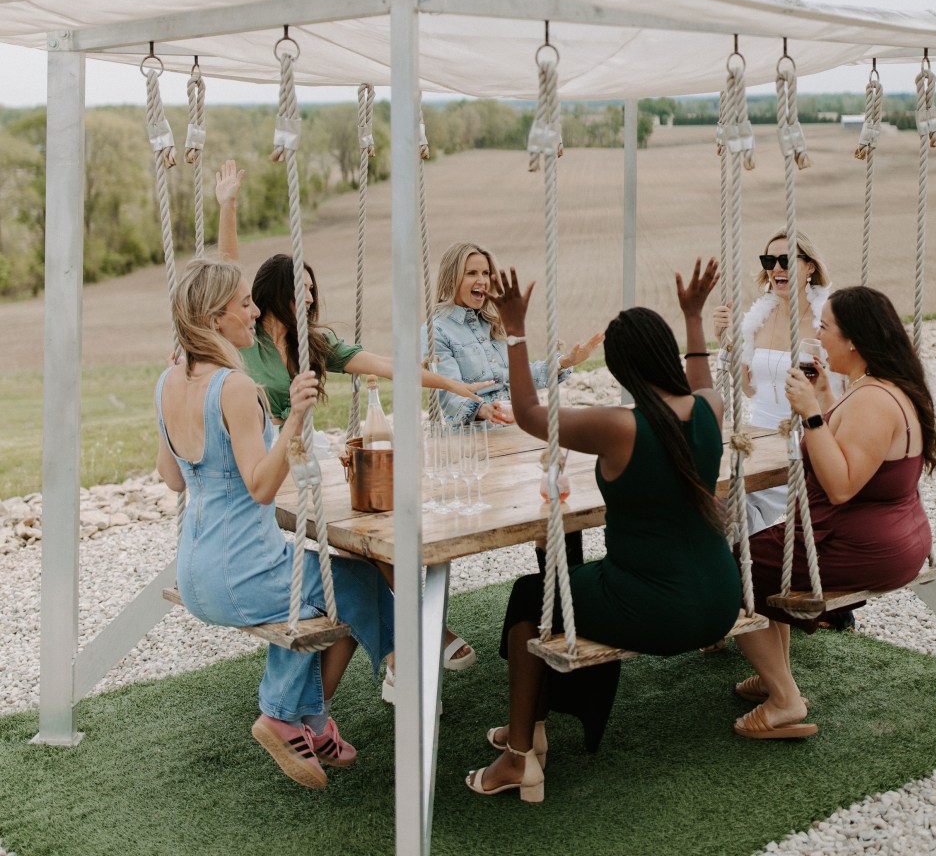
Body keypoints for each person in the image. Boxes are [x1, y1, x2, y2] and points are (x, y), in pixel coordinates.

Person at [464, 259, 742, 802]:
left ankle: (519, 757)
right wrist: (694, 316)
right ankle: (533, 726)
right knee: (563, 583)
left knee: (528, 596)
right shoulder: (710, 408)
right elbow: (701, 378)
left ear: (621, 371)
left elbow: (525, 412)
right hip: (722, 601)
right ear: (666, 355)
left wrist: (515, 327)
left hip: (661, 610)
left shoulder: (621, 428)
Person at [216, 160, 483, 673]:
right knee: (363, 541)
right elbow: (223, 277)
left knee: (375, 532)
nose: (312, 298)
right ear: (273, 294)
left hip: (308, 456)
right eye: (302, 289)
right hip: (267, 463)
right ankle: (415, 642)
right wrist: (228, 204)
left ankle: (404, 650)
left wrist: (448, 382)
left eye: (314, 290)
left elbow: (387, 365)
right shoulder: (241, 344)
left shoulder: (316, 344)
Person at [155, 258, 394, 790]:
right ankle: (294, 710)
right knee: (354, 580)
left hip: (195, 569)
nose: (255, 309)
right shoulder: (236, 388)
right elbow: (261, 487)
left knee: (334, 584)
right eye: (244, 303)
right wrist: (296, 420)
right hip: (241, 572)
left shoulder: (168, 380)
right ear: (216, 318)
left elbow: (171, 476)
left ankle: (313, 718)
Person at [731, 285, 936, 741]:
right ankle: (773, 674)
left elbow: (841, 486)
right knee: (765, 555)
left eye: (825, 327)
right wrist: (824, 399)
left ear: (854, 341)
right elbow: (853, 458)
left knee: (731, 571)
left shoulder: (874, 401)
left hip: (862, 543)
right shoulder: (876, 388)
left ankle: (785, 700)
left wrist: (810, 415)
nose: (818, 335)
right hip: (891, 535)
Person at [423, 240, 604, 572]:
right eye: (472, 273)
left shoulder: (492, 324)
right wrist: (482, 409)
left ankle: (566, 595)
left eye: (486, 273)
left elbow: (517, 376)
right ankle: (561, 598)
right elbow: (446, 395)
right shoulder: (436, 331)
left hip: (512, 436)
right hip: (472, 449)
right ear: (452, 279)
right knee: (547, 500)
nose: (483, 280)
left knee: (556, 500)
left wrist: (564, 361)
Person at [712, 227, 833, 536]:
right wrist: (725, 341)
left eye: (787, 260)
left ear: (810, 267)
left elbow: (832, 391)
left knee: (739, 509)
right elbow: (750, 388)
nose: (777, 267)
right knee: (711, 493)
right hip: (756, 434)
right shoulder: (757, 320)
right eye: (770, 260)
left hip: (800, 437)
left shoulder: (826, 323)